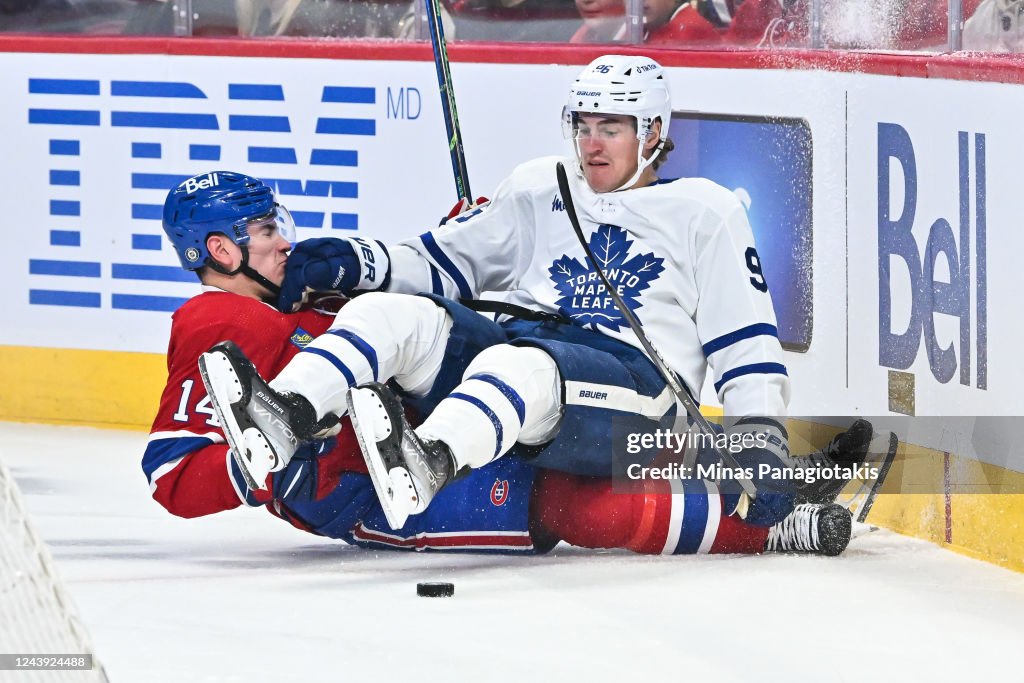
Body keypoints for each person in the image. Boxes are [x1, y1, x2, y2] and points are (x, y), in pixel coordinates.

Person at [199, 56, 880, 536]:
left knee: (517, 367)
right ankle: (284, 414)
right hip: (532, 351)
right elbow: (442, 263)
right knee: (389, 313)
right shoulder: (541, 187)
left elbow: (745, 341)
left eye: (610, 127)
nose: (591, 142)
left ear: (653, 134)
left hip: (637, 396)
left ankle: (426, 460)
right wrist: (359, 260)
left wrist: (757, 434)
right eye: (583, 125)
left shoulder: (704, 211)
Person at [147, 170, 862, 556]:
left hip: (436, 421)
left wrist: (461, 240)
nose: (283, 243)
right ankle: (775, 527)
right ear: (220, 249)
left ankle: (774, 482)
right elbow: (172, 475)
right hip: (366, 489)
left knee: (571, 427)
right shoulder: (217, 319)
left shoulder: (302, 296)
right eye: (267, 230)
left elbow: (414, 301)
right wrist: (263, 465)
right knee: (566, 500)